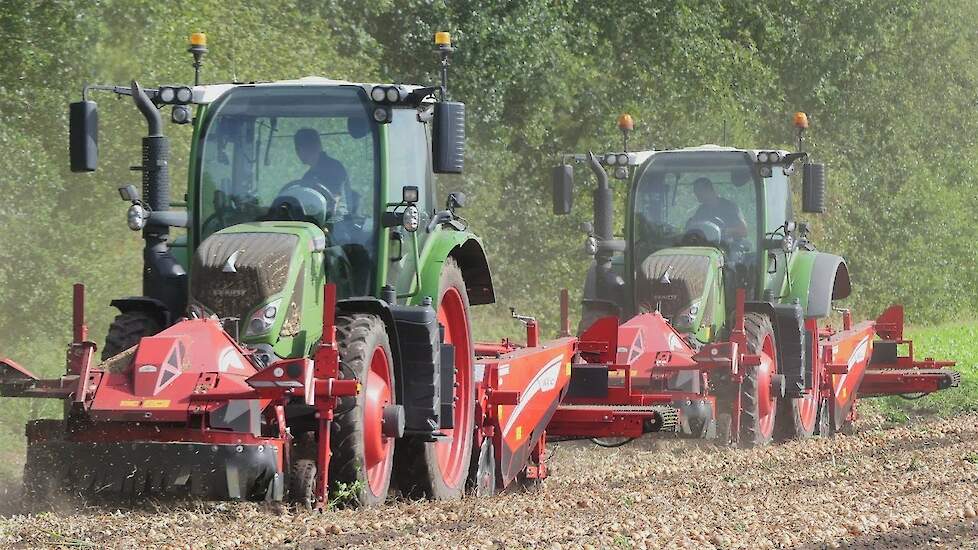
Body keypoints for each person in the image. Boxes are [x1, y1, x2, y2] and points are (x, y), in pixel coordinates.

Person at [292, 127, 349, 216]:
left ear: (316, 146)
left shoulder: (334, 167)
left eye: (300, 147)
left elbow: (336, 198)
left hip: (338, 221)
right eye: (297, 148)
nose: (298, 152)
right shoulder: (308, 176)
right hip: (316, 218)